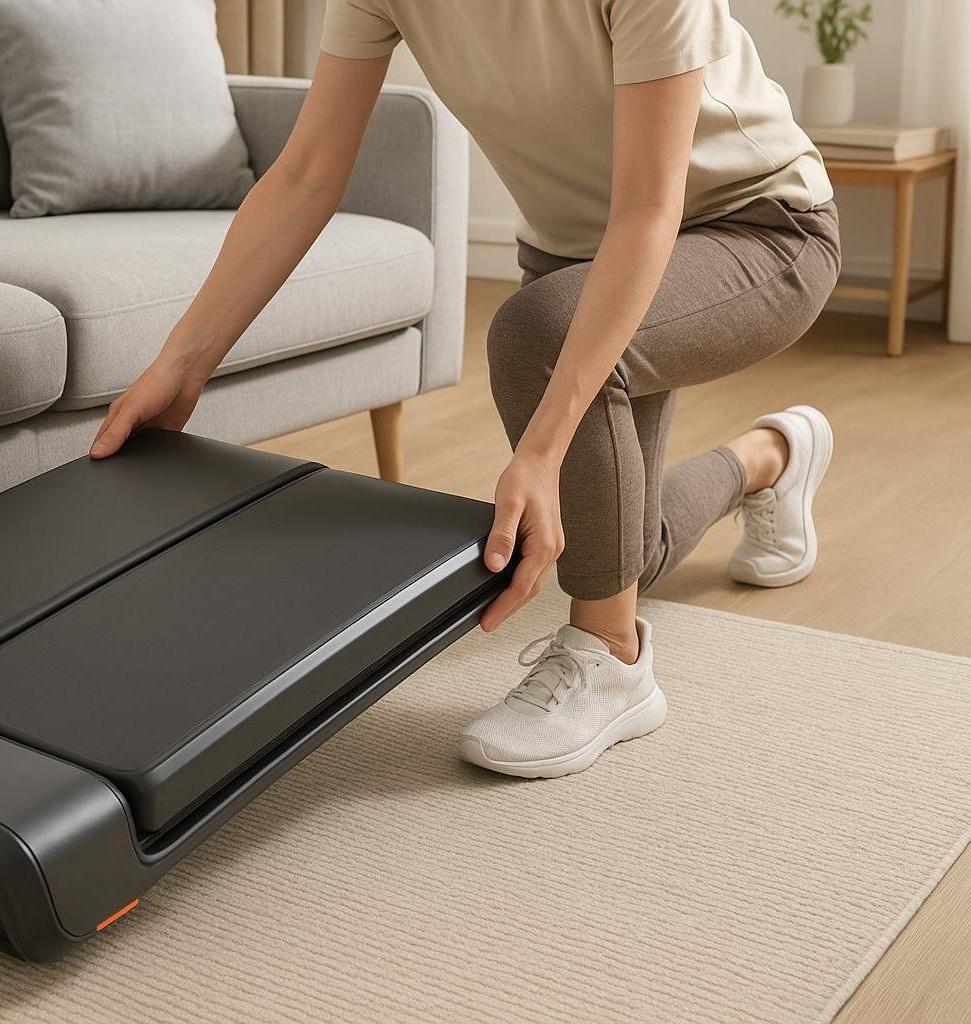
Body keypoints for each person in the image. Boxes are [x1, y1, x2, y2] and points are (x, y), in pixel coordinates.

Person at [88, 0, 841, 778]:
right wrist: (181, 364)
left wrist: (544, 450)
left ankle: (613, 660)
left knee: (537, 343)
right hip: (579, 257)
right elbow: (309, 172)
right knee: (617, 559)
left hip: (758, 228)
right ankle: (774, 456)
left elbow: (651, 206)